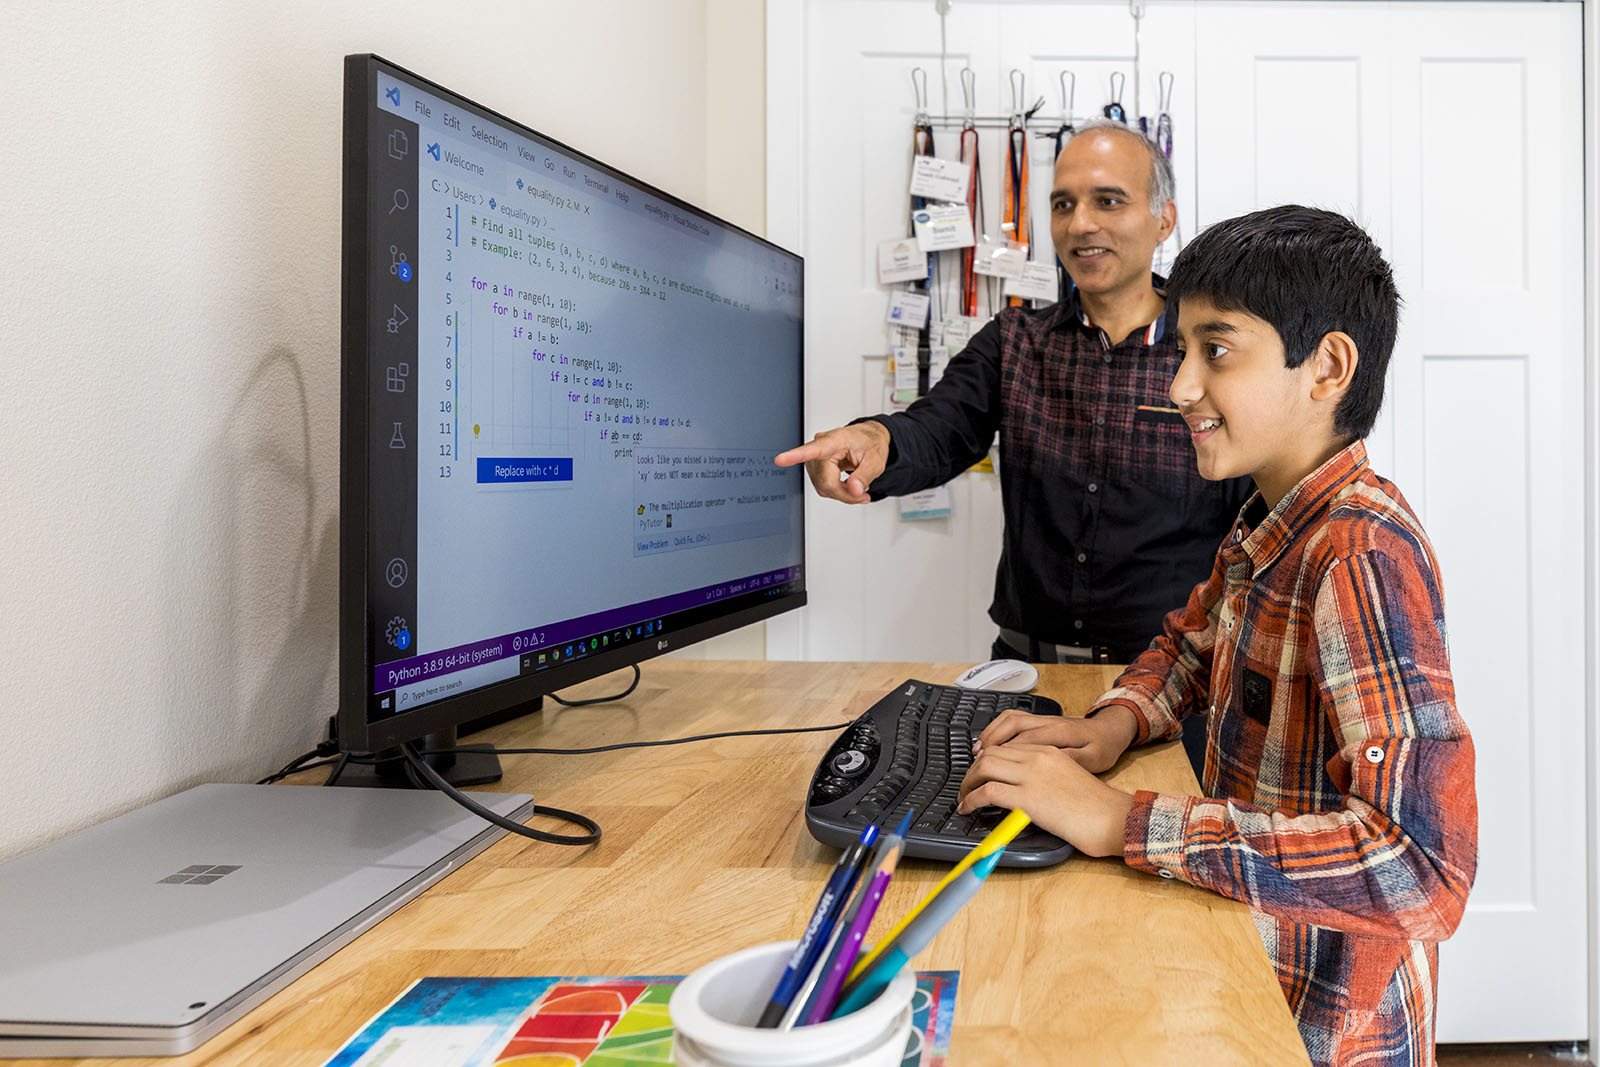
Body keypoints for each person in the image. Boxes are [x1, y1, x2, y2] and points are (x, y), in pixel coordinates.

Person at [956, 205, 1478, 1066]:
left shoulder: (1357, 555)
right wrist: (1110, 726)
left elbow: (1421, 866)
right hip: (1241, 970)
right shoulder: (1268, 519)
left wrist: (1124, 817)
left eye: (1216, 351)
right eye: (1183, 350)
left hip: (1315, 1028)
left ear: (1328, 368)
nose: (1179, 386)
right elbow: (1192, 642)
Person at [775, 121, 1252, 772]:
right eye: (1063, 204)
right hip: (1023, 685)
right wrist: (873, 438)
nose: (1081, 223)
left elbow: (1258, 524)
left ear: (1164, 219)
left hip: (1172, 697)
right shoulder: (1015, 342)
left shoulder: (1210, 358)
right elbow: (939, 426)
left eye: (1108, 200)